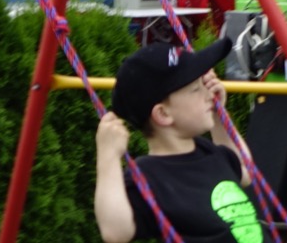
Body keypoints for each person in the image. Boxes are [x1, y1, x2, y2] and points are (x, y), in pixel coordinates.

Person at [95, 37, 265, 243]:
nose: (209, 94)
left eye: (205, 84)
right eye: (196, 89)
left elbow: (245, 171)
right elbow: (116, 232)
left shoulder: (208, 152)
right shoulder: (148, 176)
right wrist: (108, 156)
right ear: (163, 114)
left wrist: (219, 118)